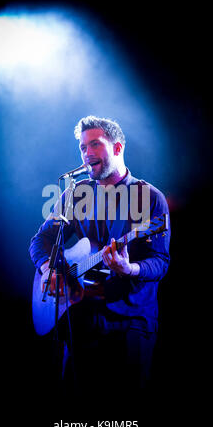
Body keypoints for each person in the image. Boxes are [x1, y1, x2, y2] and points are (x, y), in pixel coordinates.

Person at [29, 116, 170, 397]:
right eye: (82, 147)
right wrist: (48, 269)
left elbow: (160, 262)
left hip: (130, 323)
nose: (86, 153)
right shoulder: (75, 195)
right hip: (80, 321)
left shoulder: (150, 197)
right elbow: (40, 241)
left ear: (117, 148)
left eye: (95, 144)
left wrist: (129, 269)